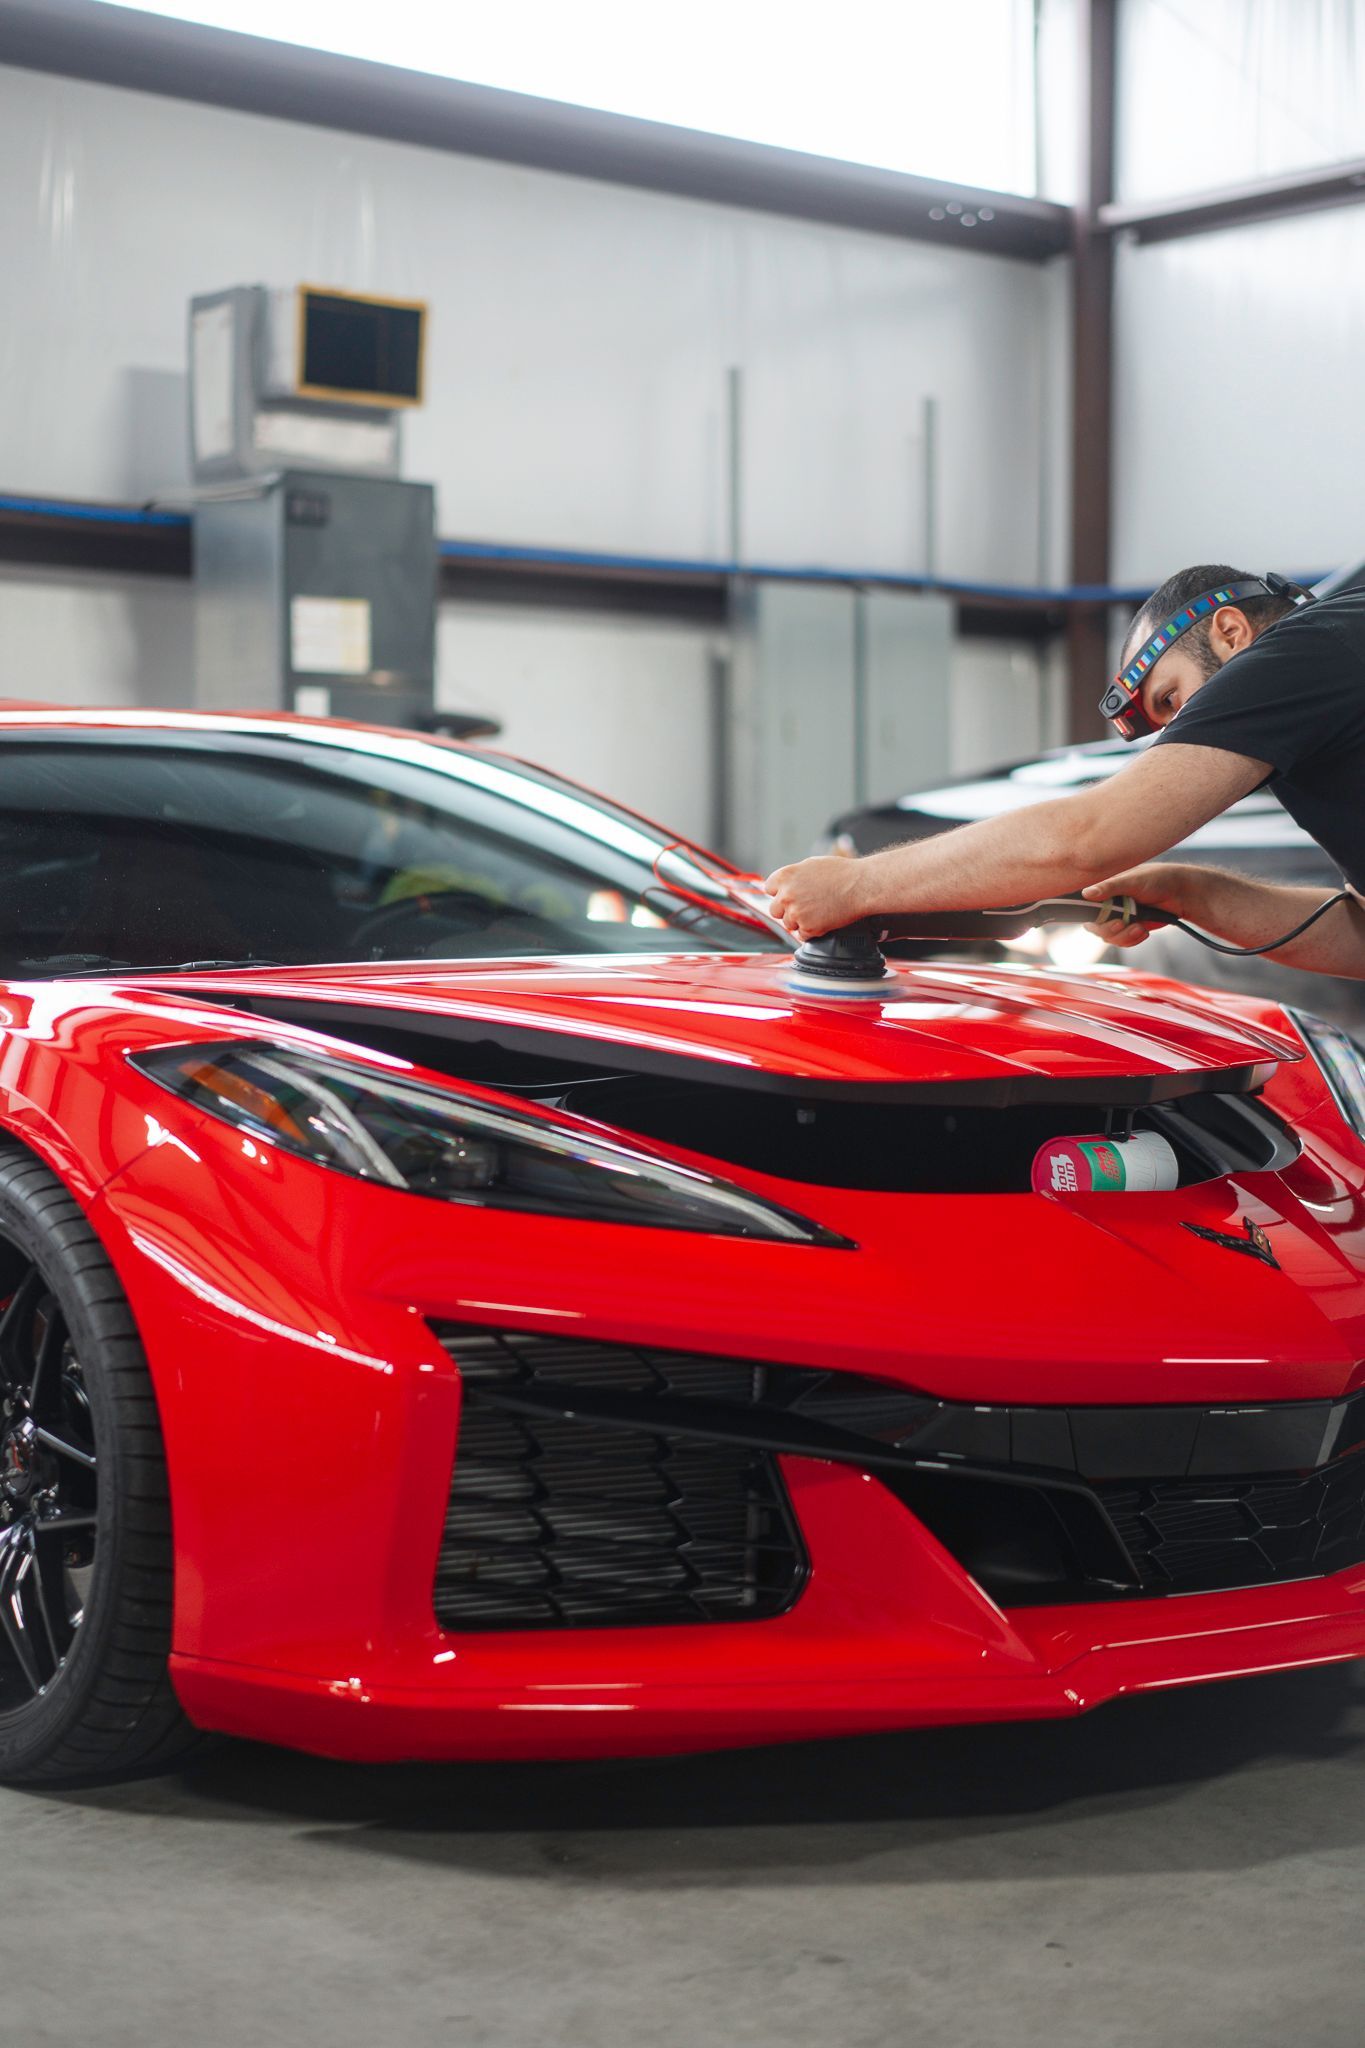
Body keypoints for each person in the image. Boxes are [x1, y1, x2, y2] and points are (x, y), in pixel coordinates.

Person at [763, 563, 1365, 978]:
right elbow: (1357, 940)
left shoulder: (1297, 653)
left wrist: (854, 886)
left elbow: (1083, 839)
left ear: (1230, 631)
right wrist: (1191, 893)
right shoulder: (1318, 737)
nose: (1186, 729)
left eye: (1172, 700)